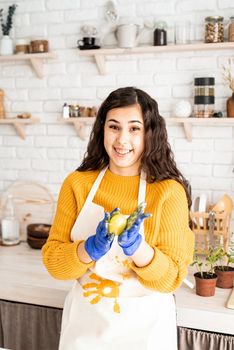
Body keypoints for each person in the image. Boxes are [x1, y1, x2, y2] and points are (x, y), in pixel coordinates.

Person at [42, 86, 194, 350]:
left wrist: (138, 249)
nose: (122, 140)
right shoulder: (77, 184)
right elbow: (55, 265)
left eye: (134, 128)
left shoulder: (168, 192)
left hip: (146, 331)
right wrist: (88, 249)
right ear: (103, 130)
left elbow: (171, 279)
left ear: (149, 133)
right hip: (87, 327)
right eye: (114, 127)